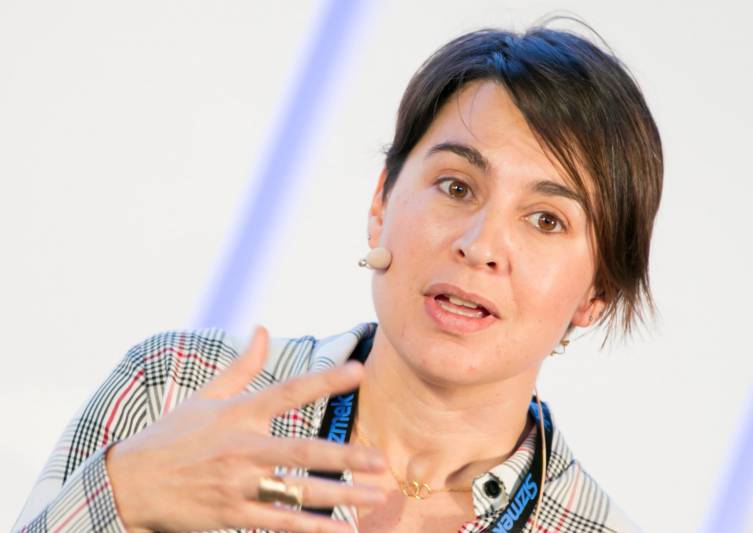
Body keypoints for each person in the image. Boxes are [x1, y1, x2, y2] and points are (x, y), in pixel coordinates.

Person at [12, 19, 662, 533]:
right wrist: (127, 491)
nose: (480, 245)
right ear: (381, 204)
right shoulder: (179, 392)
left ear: (598, 293)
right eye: (456, 186)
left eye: (546, 220)